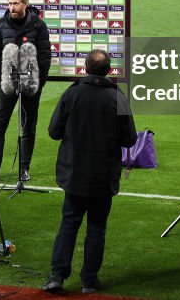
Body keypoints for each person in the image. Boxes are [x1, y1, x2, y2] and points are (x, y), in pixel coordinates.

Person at [43, 49, 136, 295]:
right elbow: (130, 139)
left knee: (69, 222)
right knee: (97, 226)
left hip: (74, 172)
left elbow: (54, 131)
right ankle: (89, 281)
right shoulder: (118, 98)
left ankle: (57, 275)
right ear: (108, 71)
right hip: (103, 175)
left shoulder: (72, 94)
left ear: (85, 68)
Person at [0, 0, 52, 182]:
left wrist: (39, 82)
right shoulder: (0, 25)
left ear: (24, 4)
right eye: (9, 4)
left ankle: (24, 169)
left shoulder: (39, 25)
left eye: (15, 3)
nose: (12, 7)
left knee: (28, 127)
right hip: (7, 85)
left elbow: (45, 55)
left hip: (31, 85)